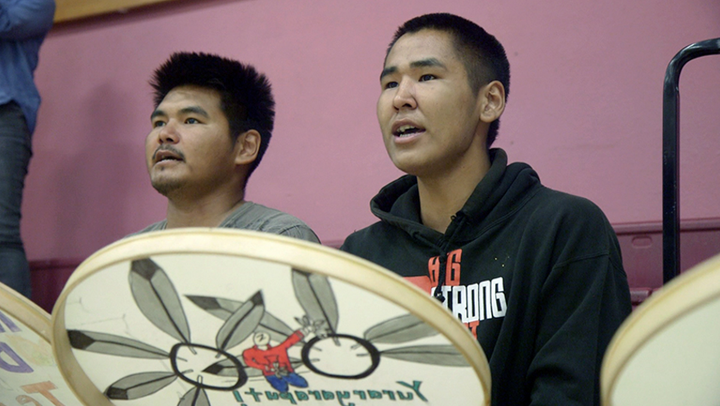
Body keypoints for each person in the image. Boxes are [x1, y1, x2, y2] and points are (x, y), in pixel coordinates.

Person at [340, 13, 631, 406]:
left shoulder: (564, 228)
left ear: (489, 101)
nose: (399, 98)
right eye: (389, 83)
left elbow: (571, 393)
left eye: (426, 77)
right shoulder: (361, 257)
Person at [134, 52, 319, 243]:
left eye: (190, 120)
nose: (165, 134)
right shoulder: (127, 253)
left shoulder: (279, 239)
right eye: (159, 123)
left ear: (245, 147)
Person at [0, 0, 55, 298]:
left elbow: (6, 23)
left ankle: (15, 340)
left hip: (5, 114)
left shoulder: (37, 3)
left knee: (2, 233)